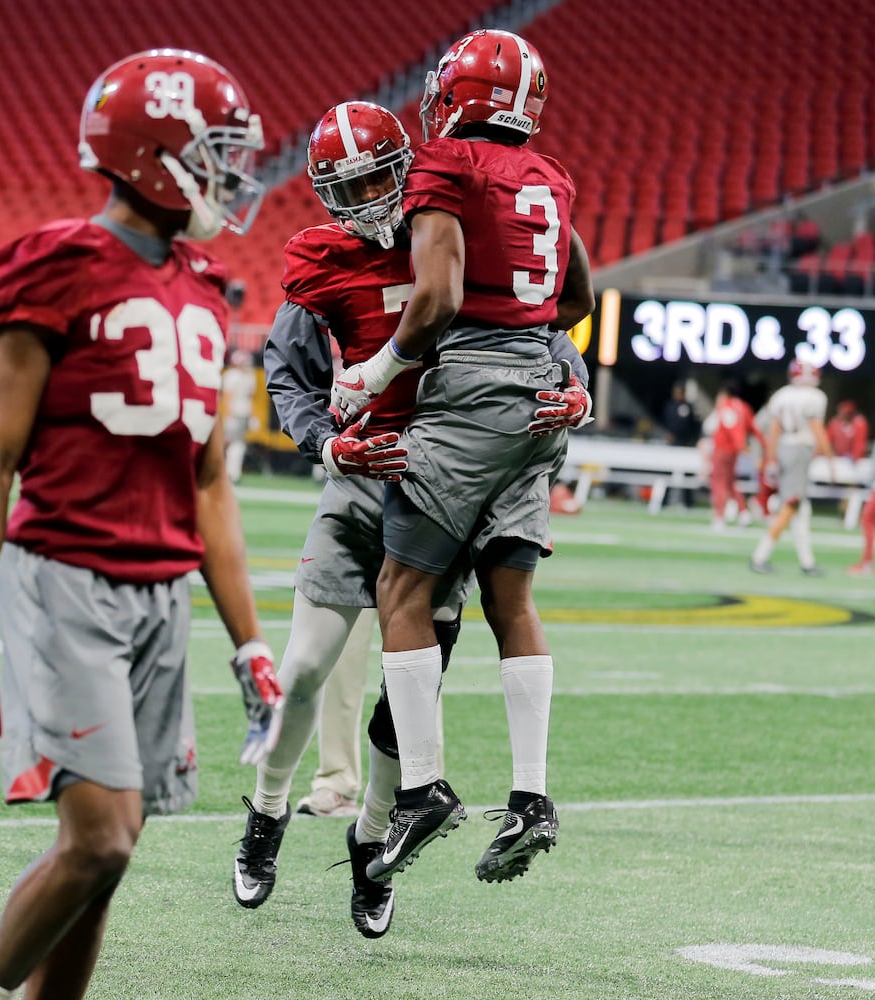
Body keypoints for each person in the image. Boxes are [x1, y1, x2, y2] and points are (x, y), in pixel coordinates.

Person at [0, 50, 290, 1000]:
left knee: (109, 858)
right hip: (65, 579)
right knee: (99, 837)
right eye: (213, 152)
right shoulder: (55, 265)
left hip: (162, 593)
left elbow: (210, 483)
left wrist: (252, 642)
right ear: (155, 154)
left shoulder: (207, 288)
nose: (231, 174)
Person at [235, 101, 592, 934]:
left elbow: (531, 325)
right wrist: (328, 445)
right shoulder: (322, 263)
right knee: (302, 675)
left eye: (377, 176)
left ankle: (372, 850)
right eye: (346, 184)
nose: (365, 197)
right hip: (367, 482)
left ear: (413, 162)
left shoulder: (456, 223)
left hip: (446, 479)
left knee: (405, 709)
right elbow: (288, 376)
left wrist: (574, 383)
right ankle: (267, 813)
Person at [332, 28, 595, 886]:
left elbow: (438, 296)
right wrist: (548, 366)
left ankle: (420, 789)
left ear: (459, 95)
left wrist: (376, 370)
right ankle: (532, 796)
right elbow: (579, 296)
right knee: (509, 596)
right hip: (537, 396)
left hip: (470, 387)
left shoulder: (447, 163)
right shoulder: (551, 176)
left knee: (401, 589)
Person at [750, 361, 835, 575]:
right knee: (792, 505)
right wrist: (830, 458)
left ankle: (807, 562)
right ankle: (760, 555)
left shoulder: (781, 395)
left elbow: (774, 430)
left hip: (783, 449)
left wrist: (771, 458)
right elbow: (817, 428)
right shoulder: (815, 397)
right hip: (799, 450)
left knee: (801, 510)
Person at [704, 380, 768, 531]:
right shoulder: (744, 407)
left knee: (718, 482)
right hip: (734, 452)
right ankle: (743, 513)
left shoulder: (726, 407)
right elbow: (755, 429)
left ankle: (719, 516)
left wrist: (741, 445)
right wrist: (764, 446)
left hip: (723, 449)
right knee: (731, 483)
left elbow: (731, 428)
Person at [220, 349, 257, 482]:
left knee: (239, 445)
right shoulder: (232, 376)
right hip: (235, 414)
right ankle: (231, 473)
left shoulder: (248, 377)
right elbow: (227, 398)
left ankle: (233, 472)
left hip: (243, 413)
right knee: (234, 445)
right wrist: (228, 416)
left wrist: (252, 416)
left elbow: (250, 399)